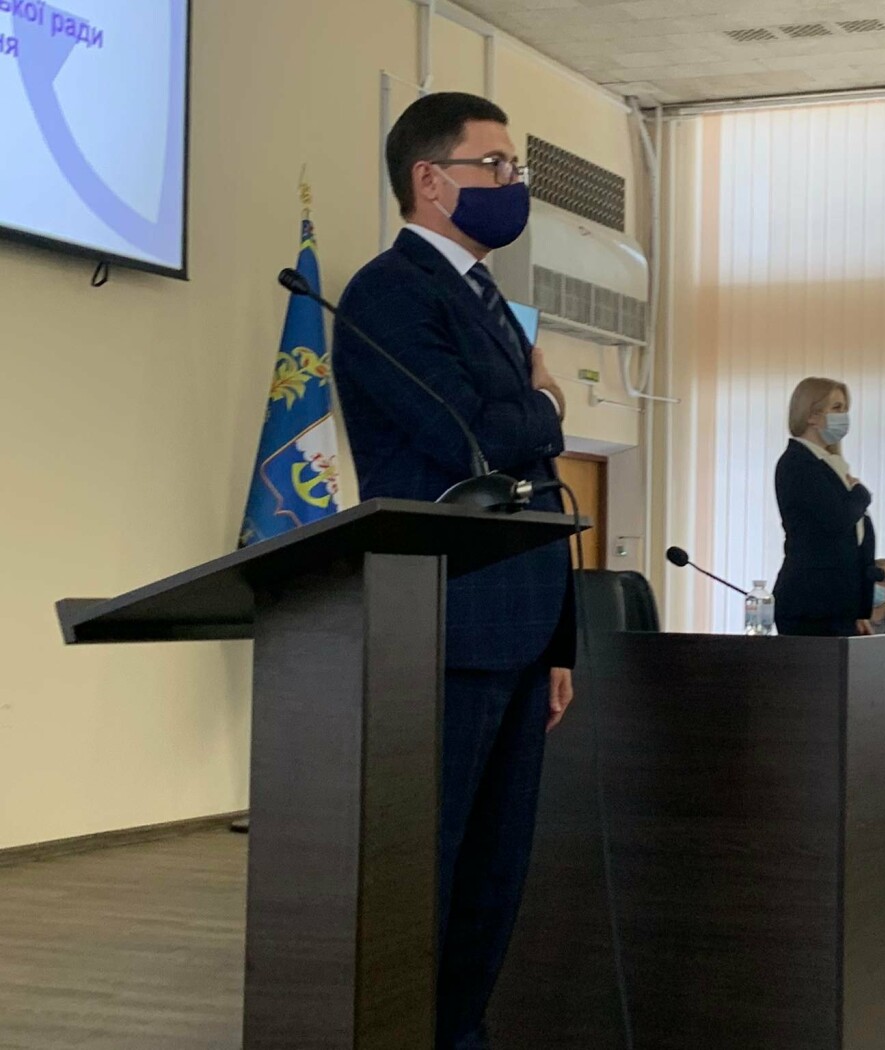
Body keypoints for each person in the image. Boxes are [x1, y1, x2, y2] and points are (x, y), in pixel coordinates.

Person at [332, 92, 576, 1049]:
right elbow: (472, 437)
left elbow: (536, 486)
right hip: (444, 618)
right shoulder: (391, 292)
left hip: (518, 625)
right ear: (430, 181)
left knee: (494, 872)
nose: (513, 184)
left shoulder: (489, 302)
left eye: (516, 168)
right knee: (430, 867)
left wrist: (560, 642)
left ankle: (459, 1034)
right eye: (496, 165)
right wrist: (546, 405)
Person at [772, 377, 878, 637]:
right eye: (837, 408)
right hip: (811, 603)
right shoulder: (799, 463)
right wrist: (861, 494)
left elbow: (854, 539)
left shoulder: (830, 463)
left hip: (838, 603)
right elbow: (837, 520)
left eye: (845, 409)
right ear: (811, 415)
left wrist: (859, 609)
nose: (844, 416)